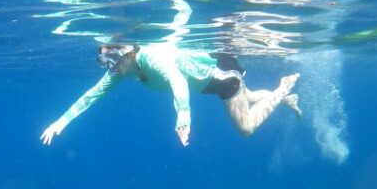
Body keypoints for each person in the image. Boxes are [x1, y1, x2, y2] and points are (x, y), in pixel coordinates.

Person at [40, 42, 302, 147]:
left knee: (245, 127)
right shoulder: (125, 70)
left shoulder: (152, 58)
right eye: (105, 62)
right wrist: (61, 122)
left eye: (114, 60)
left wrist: (183, 121)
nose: (111, 68)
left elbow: (178, 83)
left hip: (222, 74)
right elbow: (91, 95)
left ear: (129, 53)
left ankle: (283, 88)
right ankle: (286, 99)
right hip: (210, 80)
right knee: (250, 97)